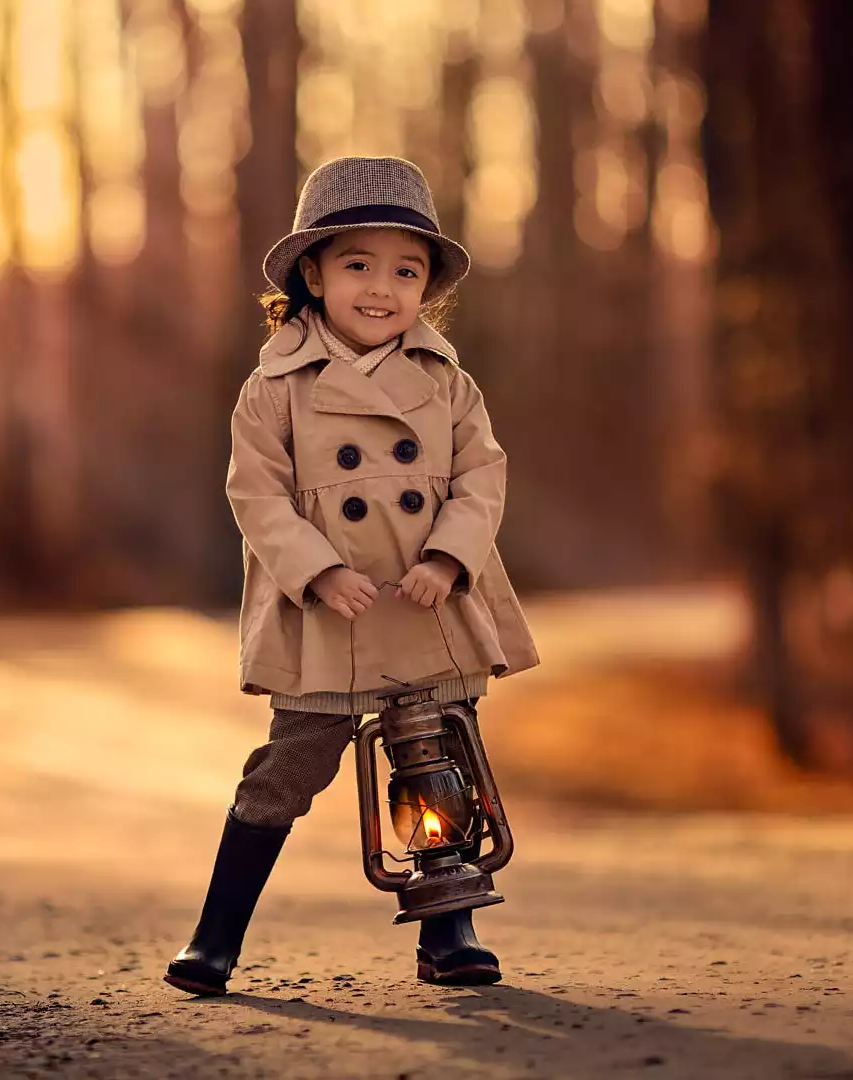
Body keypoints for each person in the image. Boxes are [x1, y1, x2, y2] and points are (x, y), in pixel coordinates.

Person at [164, 155, 541, 997]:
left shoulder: (448, 383)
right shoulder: (272, 389)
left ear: (428, 288)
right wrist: (319, 569)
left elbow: (484, 477)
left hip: (422, 599)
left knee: (435, 758)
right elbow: (254, 494)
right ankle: (216, 935)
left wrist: (448, 555)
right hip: (324, 612)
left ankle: (450, 929)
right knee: (285, 771)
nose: (382, 289)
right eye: (358, 265)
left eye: (405, 271)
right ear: (314, 273)